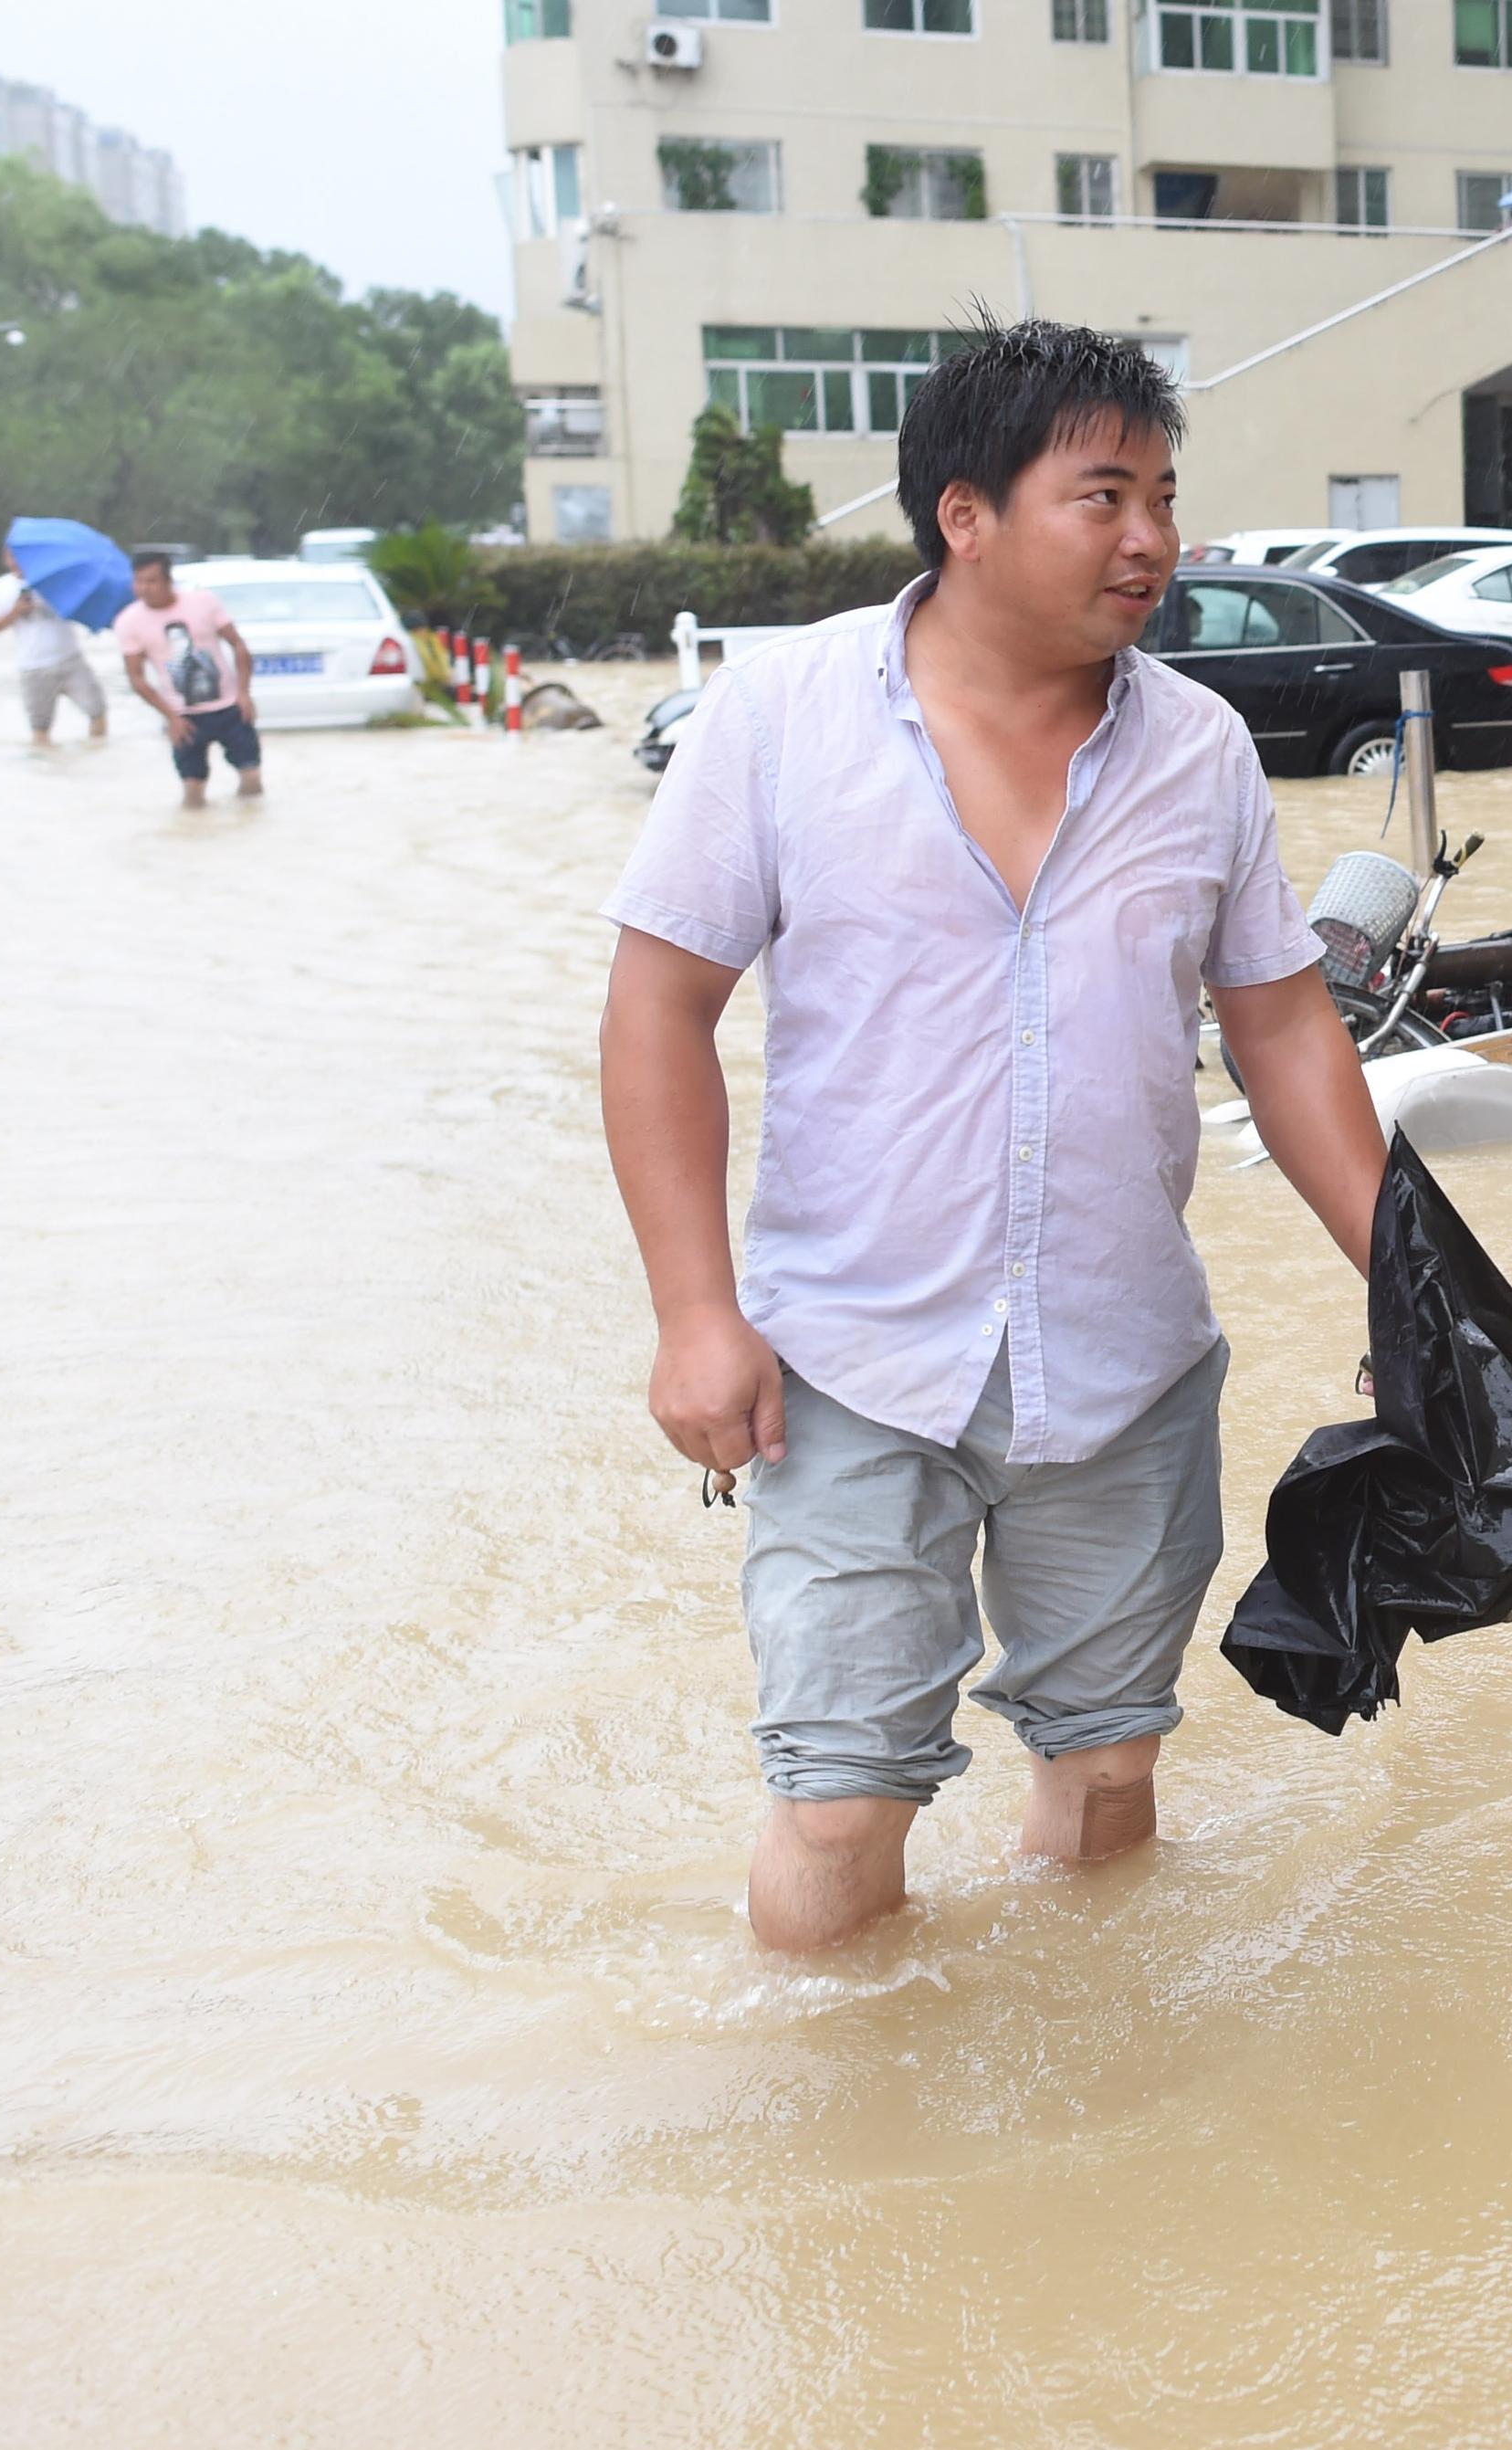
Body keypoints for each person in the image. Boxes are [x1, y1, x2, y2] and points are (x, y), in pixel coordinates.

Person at [597, 319, 1386, 1955]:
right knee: (836, 1804)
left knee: (1104, 1778)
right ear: (966, 514)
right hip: (850, 1360)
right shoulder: (784, 717)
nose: (1154, 539)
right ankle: (835, 2138)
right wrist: (693, 1313)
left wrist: (1417, 1291)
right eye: (1103, 496)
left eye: (1165, 496)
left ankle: (1083, 2106)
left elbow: (1285, 1025)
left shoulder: (1201, 751)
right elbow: (657, 1008)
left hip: (1123, 1356)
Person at [110, 551, 263, 808]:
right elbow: (136, 679)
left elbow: (238, 645)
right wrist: (171, 718)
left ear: (169, 581)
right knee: (192, 791)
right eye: (138, 581)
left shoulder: (203, 602)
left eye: (151, 581)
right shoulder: (129, 621)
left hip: (229, 707)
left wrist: (244, 693)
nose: (144, 588)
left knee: (252, 780)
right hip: (183, 716)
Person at [0, 565, 108, 746]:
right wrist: (16, 612)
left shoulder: (58, 578)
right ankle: (46, 767)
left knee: (98, 711)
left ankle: (97, 757)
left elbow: (80, 606)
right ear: (6, 558)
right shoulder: (1, 586)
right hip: (33, 666)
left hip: (71, 658)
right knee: (40, 728)